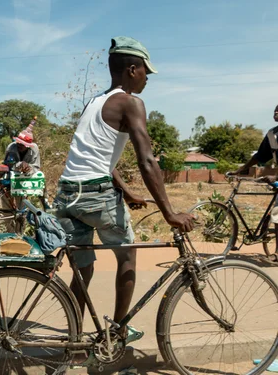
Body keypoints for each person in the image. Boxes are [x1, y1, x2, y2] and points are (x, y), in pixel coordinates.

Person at [54, 36, 195, 365]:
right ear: (132, 70)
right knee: (128, 256)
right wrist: (170, 212)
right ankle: (117, 333)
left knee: (83, 269)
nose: (148, 77)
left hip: (67, 193)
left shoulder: (96, 102)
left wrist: (126, 191)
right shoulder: (130, 103)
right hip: (94, 195)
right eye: (146, 71)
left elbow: (96, 158)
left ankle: (74, 343)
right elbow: (147, 161)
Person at [229, 105, 278, 261]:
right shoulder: (272, 134)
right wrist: (240, 170)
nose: (276, 112)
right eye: (275, 110)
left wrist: (276, 178)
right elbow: (259, 156)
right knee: (276, 216)